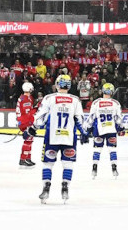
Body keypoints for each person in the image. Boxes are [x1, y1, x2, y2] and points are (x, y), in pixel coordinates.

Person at [36, 74, 85, 203]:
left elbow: (40, 117)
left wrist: (31, 129)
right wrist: (84, 133)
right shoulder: (75, 100)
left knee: (48, 163)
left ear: (57, 84)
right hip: (69, 137)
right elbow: (79, 120)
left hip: (52, 137)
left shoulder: (49, 98)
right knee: (68, 164)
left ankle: (46, 187)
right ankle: (65, 187)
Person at [88, 83, 122, 178]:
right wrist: (121, 127)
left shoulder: (96, 102)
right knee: (112, 149)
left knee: (97, 149)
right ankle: (114, 168)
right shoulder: (115, 103)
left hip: (99, 129)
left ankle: (94, 168)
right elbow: (119, 119)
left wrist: (88, 128)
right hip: (111, 129)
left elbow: (91, 118)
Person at [15, 81, 38, 167]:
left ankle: (28, 158)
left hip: (25, 121)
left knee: (30, 140)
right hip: (25, 121)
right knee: (28, 140)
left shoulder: (26, 97)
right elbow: (28, 113)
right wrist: (36, 109)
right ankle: (23, 159)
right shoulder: (25, 99)